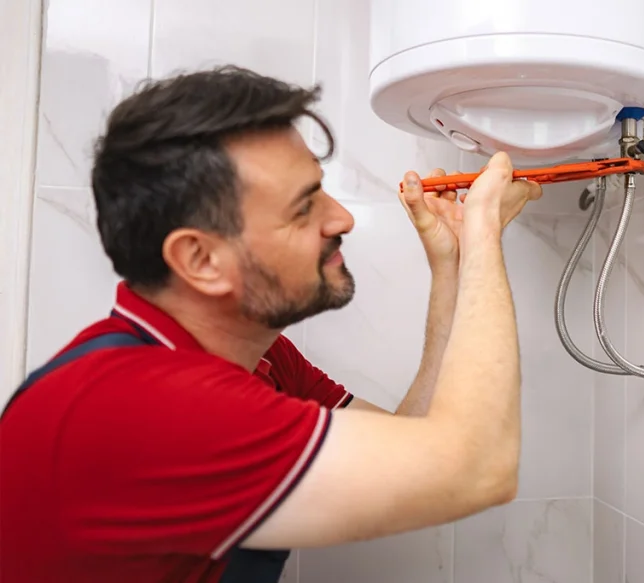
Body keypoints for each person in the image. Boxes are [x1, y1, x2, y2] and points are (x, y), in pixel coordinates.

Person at [0, 65, 543, 583]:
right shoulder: (148, 407)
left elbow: (418, 444)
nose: (343, 218)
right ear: (200, 260)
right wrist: (483, 238)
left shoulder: (252, 357)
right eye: (304, 208)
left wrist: (450, 264)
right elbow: (475, 468)